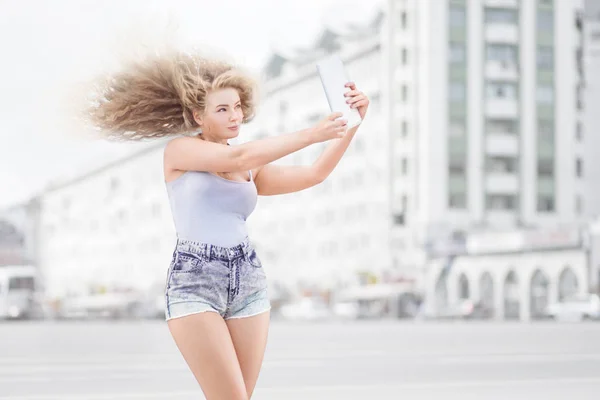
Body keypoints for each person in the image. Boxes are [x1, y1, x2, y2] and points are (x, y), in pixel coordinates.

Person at [85, 51, 369, 399]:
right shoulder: (180, 151)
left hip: (248, 279)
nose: (235, 116)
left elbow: (314, 173)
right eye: (222, 110)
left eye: (237, 106)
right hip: (195, 282)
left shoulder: (252, 168)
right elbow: (238, 156)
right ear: (197, 116)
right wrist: (313, 133)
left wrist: (351, 124)